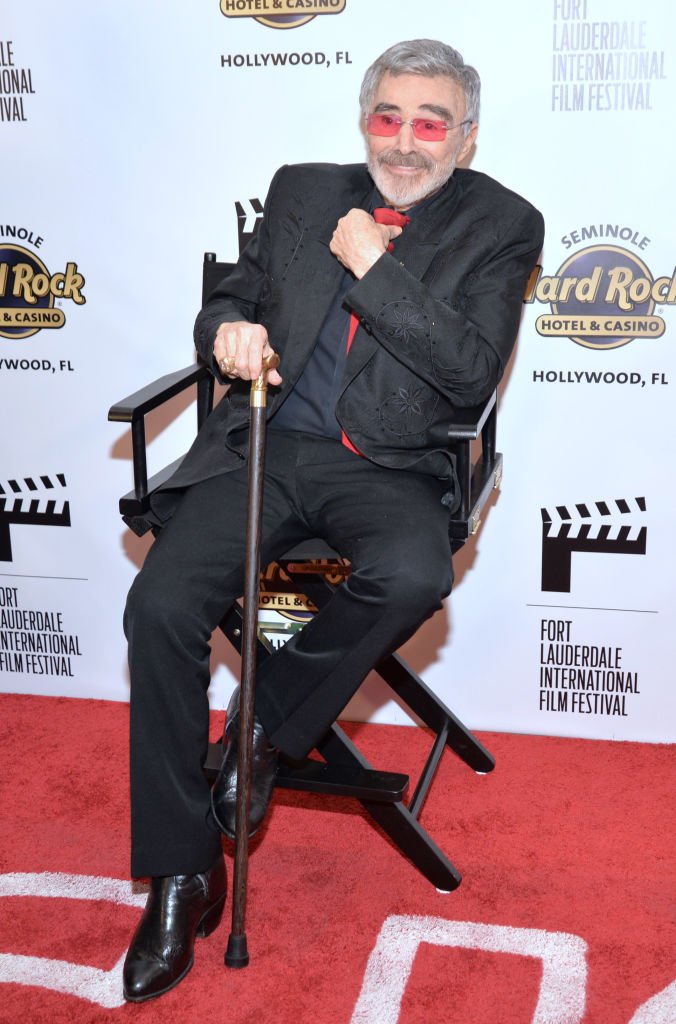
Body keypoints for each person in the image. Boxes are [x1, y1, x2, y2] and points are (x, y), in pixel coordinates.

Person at [122, 38, 544, 1002]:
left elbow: (472, 371)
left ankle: (261, 728)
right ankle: (183, 874)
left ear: (465, 138)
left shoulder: (506, 224)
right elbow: (236, 288)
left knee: (413, 575)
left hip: (389, 466)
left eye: (430, 122)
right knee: (158, 610)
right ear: (366, 120)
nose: (405, 141)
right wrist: (226, 330)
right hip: (266, 446)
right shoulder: (304, 188)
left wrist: (372, 266)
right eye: (387, 117)